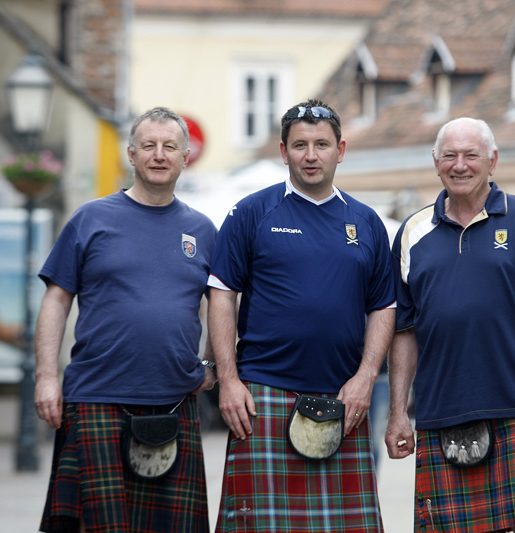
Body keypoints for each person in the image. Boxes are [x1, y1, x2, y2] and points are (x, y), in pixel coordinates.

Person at [208, 99, 396, 532]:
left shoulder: (366, 222)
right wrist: (229, 380)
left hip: (342, 398)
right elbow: (221, 295)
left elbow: (383, 306)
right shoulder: (251, 213)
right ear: (283, 151)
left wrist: (367, 377)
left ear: (341, 150)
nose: (311, 156)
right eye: (300, 145)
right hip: (263, 395)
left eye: (321, 145)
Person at [386, 117, 515, 533]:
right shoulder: (411, 234)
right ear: (435, 162)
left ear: (492, 161)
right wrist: (398, 413)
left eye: (471, 155)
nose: (460, 165)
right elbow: (404, 331)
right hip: (441, 411)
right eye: (450, 156)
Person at [34, 106, 218, 533]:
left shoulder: (203, 230)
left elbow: (222, 304)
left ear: (185, 156)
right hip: (96, 395)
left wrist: (211, 363)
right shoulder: (90, 219)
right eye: (148, 146)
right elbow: (56, 301)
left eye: (169, 146)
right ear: (131, 155)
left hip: (174, 398)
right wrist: (46, 376)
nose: (159, 155)